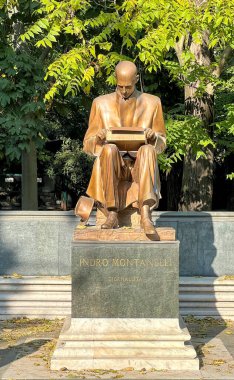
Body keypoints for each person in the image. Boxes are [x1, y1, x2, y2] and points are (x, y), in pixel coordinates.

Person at [83, 61, 166, 234]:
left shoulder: (153, 103)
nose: (124, 91)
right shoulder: (100, 103)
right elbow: (87, 144)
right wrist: (98, 139)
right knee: (109, 149)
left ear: (136, 79)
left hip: (141, 166)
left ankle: (145, 215)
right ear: (115, 79)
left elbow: (162, 142)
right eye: (120, 86)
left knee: (148, 150)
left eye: (128, 86)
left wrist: (154, 138)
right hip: (112, 166)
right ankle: (112, 213)